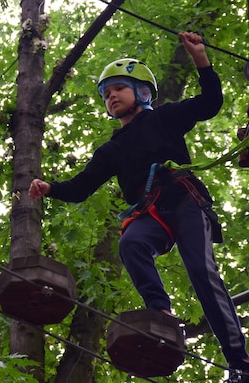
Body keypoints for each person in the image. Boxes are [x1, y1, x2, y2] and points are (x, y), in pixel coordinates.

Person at [28, 32, 249, 382]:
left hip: (186, 200)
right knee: (131, 243)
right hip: (153, 214)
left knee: (201, 272)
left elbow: (210, 103)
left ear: (142, 92)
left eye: (118, 88)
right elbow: (81, 188)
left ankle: (239, 361)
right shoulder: (111, 150)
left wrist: (200, 60)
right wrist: (50, 187)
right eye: (106, 94)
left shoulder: (164, 118)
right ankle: (159, 309)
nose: (111, 97)